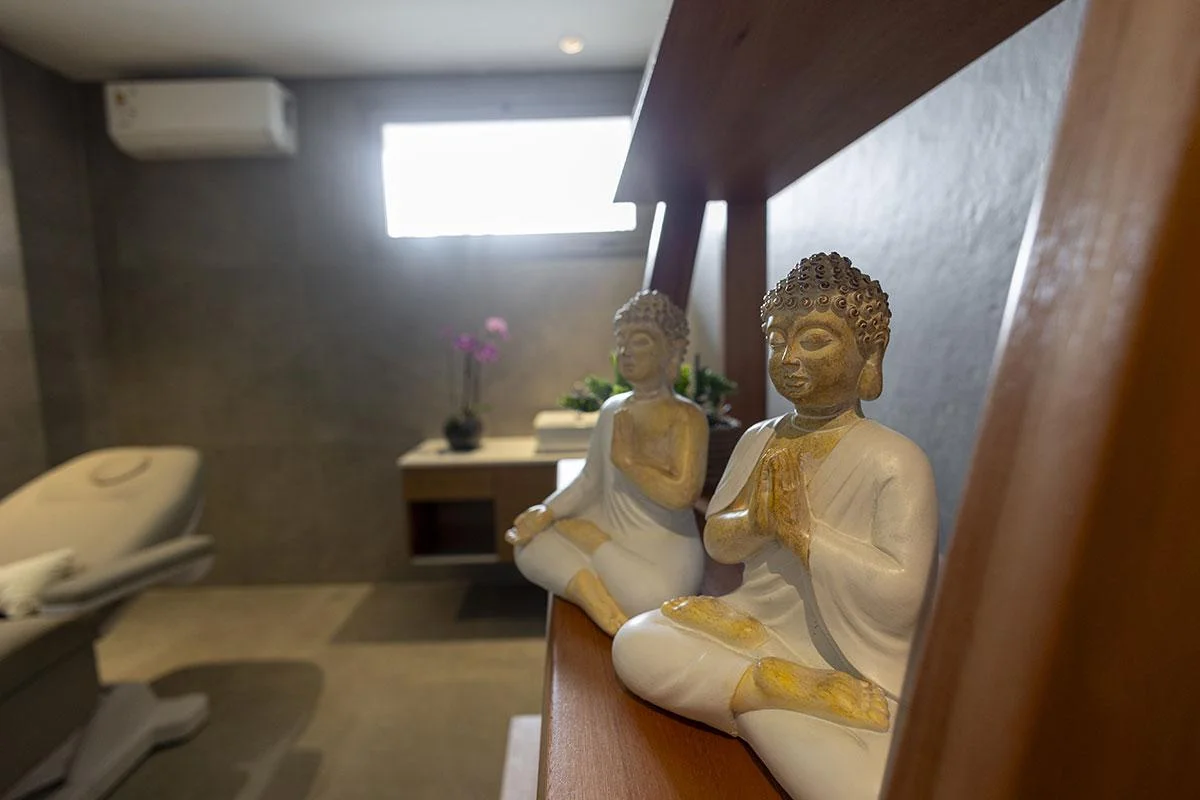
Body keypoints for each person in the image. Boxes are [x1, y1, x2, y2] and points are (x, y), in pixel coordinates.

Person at [612, 254, 938, 800]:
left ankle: (766, 691)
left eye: (813, 340)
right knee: (636, 640)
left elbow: (904, 595)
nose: (788, 358)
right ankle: (771, 688)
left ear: (870, 354)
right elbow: (719, 540)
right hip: (750, 620)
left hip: (847, 654)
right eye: (776, 340)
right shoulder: (759, 437)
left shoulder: (896, 460)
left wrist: (805, 536)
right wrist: (757, 522)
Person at [506, 290, 709, 635]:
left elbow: (683, 496)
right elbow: (589, 480)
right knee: (528, 545)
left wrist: (629, 463)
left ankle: (593, 544)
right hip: (613, 526)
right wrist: (547, 511)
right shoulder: (612, 409)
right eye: (621, 342)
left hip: (662, 550)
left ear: (672, 350)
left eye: (640, 341)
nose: (626, 351)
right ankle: (596, 601)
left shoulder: (686, 417)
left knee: (656, 598)